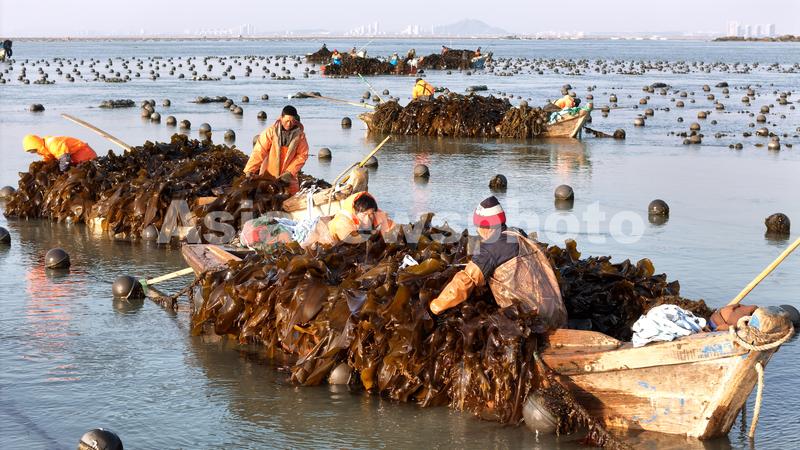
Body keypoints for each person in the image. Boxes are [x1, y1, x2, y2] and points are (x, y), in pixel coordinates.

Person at [428, 196, 566, 331]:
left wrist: (436, 306)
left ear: (486, 226)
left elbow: (465, 281)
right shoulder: (517, 234)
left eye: (478, 225)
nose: (477, 230)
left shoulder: (491, 248)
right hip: (557, 314)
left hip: (531, 321)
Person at [244, 105, 309, 194]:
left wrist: (290, 172)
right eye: (287, 121)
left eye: (292, 121)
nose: (289, 124)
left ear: (296, 121)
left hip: (288, 179)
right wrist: (250, 170)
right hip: (268, 177)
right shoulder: (270, 132)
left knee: (291, 197)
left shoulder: (300, 136)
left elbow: (302, 156)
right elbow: (259, 152)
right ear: (281, 118)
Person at [327, 191, 396, 243]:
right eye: (364, 214)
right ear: (355, 212)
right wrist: (372, 233)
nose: (367, 219)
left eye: (371, 214)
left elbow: (393, 231)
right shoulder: (342, 223)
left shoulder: (377, 215)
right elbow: (351, 243)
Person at [23, 134, 97, 171]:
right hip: (75, 157)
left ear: (34, 145)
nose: (31, 153)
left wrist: (62, 171)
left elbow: (65, 159)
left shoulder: (53, 144)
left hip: (85, 154)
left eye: (30, 150)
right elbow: (48, 158)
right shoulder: (44, 146)